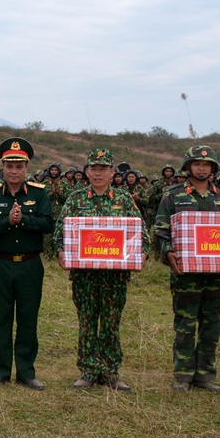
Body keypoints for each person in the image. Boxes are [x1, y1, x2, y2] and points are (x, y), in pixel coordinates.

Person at [54, 148, 149, 391]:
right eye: (93, 168)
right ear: (86, 171)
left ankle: (109, 371)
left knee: (110, 322)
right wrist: (61, 252)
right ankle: (87, 370)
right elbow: (59, 233)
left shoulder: (124, 200)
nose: (98, 173)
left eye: (103, 169)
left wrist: (142, 256)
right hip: (84, 276)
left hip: (114, 277)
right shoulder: (76, 199)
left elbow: (142, 234)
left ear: (112, 172)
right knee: (86, 321)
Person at [154, 145, 220, 392]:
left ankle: (205, 374)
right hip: (185, 273)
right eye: (197, 164)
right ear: (187, 167)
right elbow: (160, 229)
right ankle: (183, 373)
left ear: (213, 168)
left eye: (207, 164)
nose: (202, 168)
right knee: (185, 323)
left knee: (211, 322)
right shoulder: (173, 195)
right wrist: (168, 252)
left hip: (215, 272)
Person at [0, 137, 54, 390]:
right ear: (3, 167)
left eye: (19, 166)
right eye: (9, 166)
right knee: (1, 318)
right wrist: (7, 222)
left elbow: (48, 224)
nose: (14, 171)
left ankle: (26, 371)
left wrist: (22, 221)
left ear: (26, 168)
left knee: (27, 318)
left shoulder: (38, 193)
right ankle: (0, 371)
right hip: (1, 263)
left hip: (30, 265)